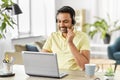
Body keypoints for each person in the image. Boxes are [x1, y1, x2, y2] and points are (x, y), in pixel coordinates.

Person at [42, 6, 90, 70]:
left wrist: (70, 42)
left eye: (65, 21)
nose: (61, 25)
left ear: (73, 22)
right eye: (59, 21)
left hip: (75, 76)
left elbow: (84, 66)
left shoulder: (83, 37)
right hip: (56, 75)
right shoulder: (53, 36)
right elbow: (43, 58)